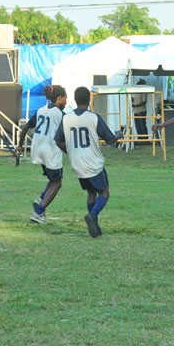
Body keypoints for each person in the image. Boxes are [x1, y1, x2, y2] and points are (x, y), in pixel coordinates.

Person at [54, 86, 122, 238]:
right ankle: (93, 214)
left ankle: (95, 228)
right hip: (93, 162)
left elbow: (57, 140)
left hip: (77, 163)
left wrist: (70, 152)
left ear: (75, 99)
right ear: (88, 100)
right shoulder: (93, 117)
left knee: (91, 193)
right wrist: (119, 134)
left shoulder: (66, 118)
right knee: (104, 192)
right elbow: (110, 139)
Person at [18, 84, 67, 224]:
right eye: (65, 99)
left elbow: (26, 127)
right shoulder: (60, 114)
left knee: (53, 179)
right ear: (59, 98)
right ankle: (38, 212)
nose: (66, 102)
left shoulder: (41, 110)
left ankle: (41, 198)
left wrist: (20, 145)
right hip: (50, 149)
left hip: (37, 147)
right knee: (57, 183)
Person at [131, 79, 149, 145]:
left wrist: (136, 105)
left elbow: (144, 102)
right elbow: (134, 99)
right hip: (136, 111)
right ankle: (140, 140)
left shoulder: (144, 90)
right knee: (137, 126)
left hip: (142, 110)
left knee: (142, 126)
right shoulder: (135, 91)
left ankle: (145, 141)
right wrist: (131, 99)